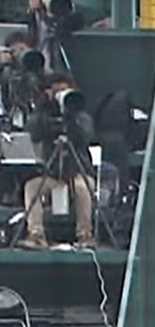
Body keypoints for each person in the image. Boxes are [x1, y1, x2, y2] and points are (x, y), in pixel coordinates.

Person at [20, 70, 93, 248]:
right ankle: (36, 236)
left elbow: (86, 136)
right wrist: (44, 107)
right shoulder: (44, 113)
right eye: (57, 91)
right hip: (52, 173)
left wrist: (71, 117)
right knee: (31, 187)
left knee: (82, 189)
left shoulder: (80, 114)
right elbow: (33, 133)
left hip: (78, 172)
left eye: (64, 91)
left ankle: (85, 236)